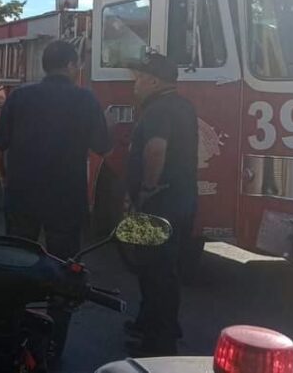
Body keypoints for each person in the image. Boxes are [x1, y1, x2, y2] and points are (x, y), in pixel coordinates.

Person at [0, 40, 111, 361]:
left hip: (22, 195)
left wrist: (4, 178)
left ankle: (11, 332)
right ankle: (53, 343)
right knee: (63, 270)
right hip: (65, 198)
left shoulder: (21, 97)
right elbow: (102, 145)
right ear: (70, 65)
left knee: (15, 261)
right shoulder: (85, 99)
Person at [123, 52, 197, 357]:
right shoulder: (183, 106)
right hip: (182, 200)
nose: (135, 85)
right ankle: (150, 322)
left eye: (139, 78)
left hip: (157, 203)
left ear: (154, 81)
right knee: (161, 268)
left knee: (155, 270)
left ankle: (159, 343)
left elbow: (155, 150)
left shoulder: (157, 110)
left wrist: (145, 190)